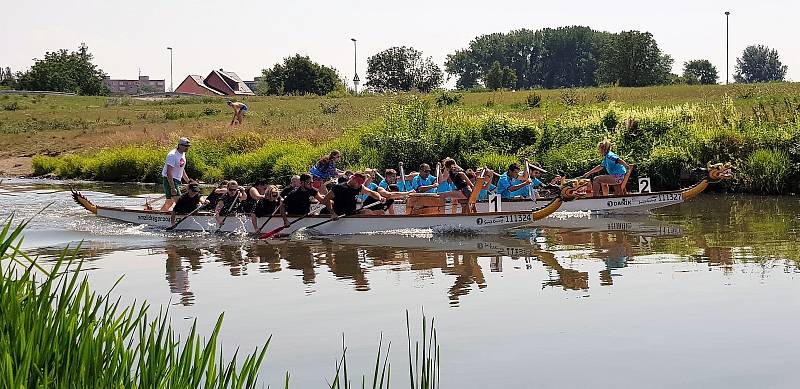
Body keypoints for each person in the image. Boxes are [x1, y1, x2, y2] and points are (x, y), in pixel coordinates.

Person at [160, 137, 192, 212]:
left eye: (188, 146)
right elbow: (168, 173)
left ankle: (161, 214)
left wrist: (189, 182)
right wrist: (172, 187)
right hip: (170, 180)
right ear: (180, 145)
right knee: (180, 203)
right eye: (185, 146)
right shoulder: (172, 155)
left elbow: (182, 169)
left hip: (177, 180)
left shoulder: (182, 154)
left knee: (170, 202)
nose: (187, 148)